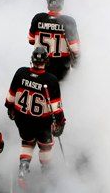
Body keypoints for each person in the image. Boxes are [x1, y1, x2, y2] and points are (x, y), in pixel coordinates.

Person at [5, 46, 66, 188]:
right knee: (45, 148)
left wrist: (11, 110)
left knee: (27, 142)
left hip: (22, 119)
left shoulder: (20, 73)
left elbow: (10, 98)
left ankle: (22, 171)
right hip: (42, 122)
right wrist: (61, 123)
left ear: (32, 59)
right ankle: (46, 172)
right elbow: (56, 108)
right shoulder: (50, 80)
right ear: (46, 60)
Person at [27, 0, 80, 80]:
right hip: (61, 65)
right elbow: (75, 48)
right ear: (62, 4)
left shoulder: (38, 18)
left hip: (41, 62)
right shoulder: (68, 21)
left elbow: (31, 41)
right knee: (58, 89)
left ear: (48, 2)